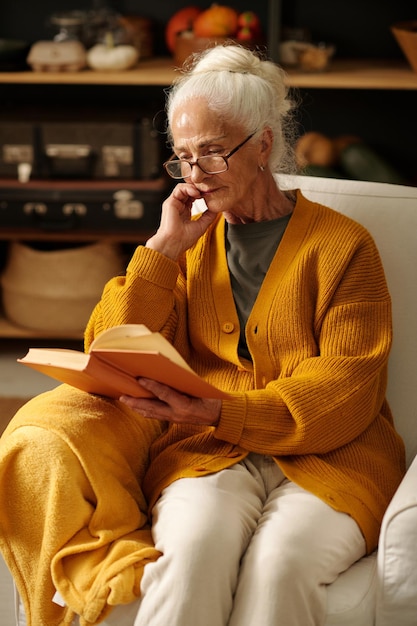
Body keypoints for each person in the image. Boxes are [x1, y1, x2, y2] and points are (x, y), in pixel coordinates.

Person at [0, 43, 406, 626]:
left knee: (281, 563)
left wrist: (221, 409)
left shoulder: (343, 247)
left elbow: (347, 389)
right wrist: (161, 252)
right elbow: (107, 347)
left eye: (212, 154)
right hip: (209, 454)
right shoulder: (188, 243)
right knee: (190, 552)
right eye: (182, 157)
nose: (194, 175)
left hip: (335, 455)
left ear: (263, 143)